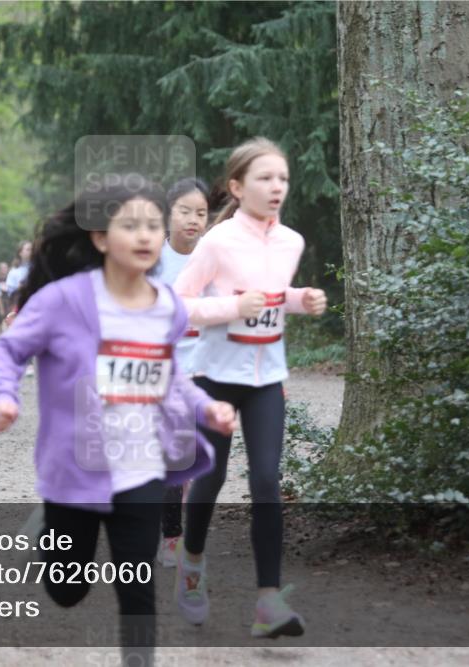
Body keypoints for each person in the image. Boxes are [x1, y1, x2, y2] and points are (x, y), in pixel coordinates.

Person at [0, 175, 236, 665]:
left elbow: (172, 373)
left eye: (152, 226)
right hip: (75, 473)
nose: (146, 236)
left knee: (137, 589)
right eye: (130, 226)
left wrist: (206, 407)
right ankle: (46, 530)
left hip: (139, 469)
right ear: (100, 237)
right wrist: (2, 397)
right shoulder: (64, 301)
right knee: (67, 590)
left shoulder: (165, 305)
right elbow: (10, 351)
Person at [173, 138, 327, 637]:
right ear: (237, 188)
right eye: (264, 178)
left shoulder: (292, 242)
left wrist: (301, 299)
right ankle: (192, 567)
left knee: (266, 482)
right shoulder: (216, 243)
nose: (276, 187)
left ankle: (268, 603)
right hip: (215, 378)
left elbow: (273, 300)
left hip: (267, 379)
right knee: (211, 478)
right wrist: (229, 310)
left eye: (282, 178)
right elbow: (178, 306)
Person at [155, 178, 210, 566]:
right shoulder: (152, 259)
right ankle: (171, 536)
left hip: (208, 368)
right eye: (184, 211)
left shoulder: (216, 257)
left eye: (201, 213)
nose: (193, 220)